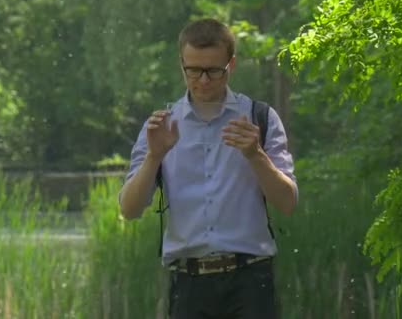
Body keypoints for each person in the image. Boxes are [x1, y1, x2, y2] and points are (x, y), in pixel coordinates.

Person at [118, 18, 298, 319]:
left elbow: (288, 203)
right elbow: (129, 209)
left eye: (214, 71)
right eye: (193, 71)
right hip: (188, 285)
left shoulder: (259, 118)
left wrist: (255, 155)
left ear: (232, 65)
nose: (203, 81)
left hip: (250, 281)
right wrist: (154, 157)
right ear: (181, 65)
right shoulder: (162, 126)